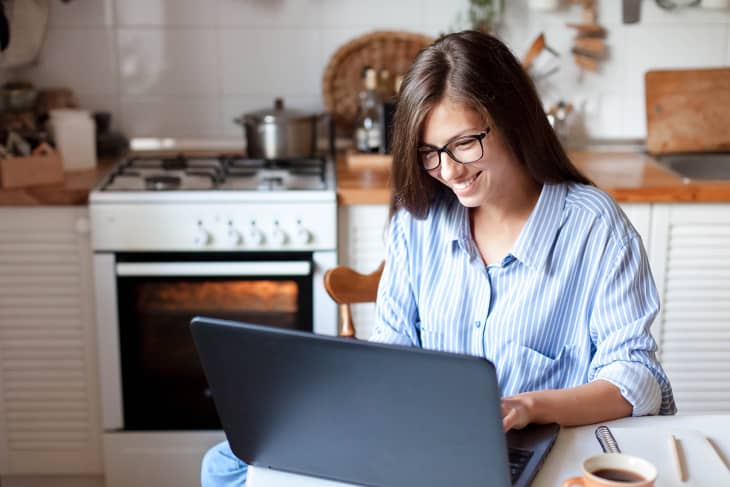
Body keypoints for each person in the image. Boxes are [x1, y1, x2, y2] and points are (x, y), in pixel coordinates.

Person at [201, 30, 675, 487]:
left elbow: (636, 380)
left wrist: (529, 406)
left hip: (539, 451)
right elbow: (394, 345)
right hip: (421, 443)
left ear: (514, 120)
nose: (448, 171)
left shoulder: (594, 228)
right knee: (224, 464)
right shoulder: (421, 220)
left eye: (465, 143)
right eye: (429, 152)